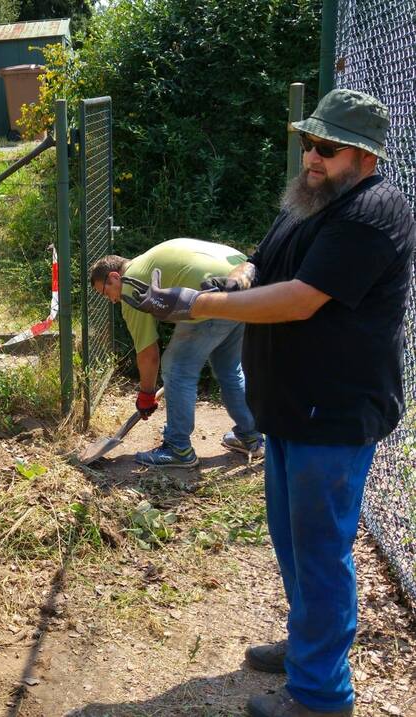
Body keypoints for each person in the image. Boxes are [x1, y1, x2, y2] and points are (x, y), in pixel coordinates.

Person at [122, 89, 415, 717]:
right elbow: (264, 264)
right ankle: (307, 646)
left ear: (364, 157)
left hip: (331, 415)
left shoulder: (373, 212)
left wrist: (195, 304)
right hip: (292, 409)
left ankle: (320, 696)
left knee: (319, 550)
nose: (311, 156)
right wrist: (235, 280)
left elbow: (301, 299)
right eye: (309, 142)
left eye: (326, 148)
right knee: (292, 541)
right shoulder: (310, 200)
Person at [90, 238, 264, 468]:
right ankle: (251, 437)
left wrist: (146, 394)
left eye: (105, 293)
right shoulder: (148, 260)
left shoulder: (132, 286)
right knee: (228, 368)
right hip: (244, 283)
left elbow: (148, 354)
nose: (111, 300)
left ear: (114, 277)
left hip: (215, 293)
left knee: (177, 367)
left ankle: (177, 448)